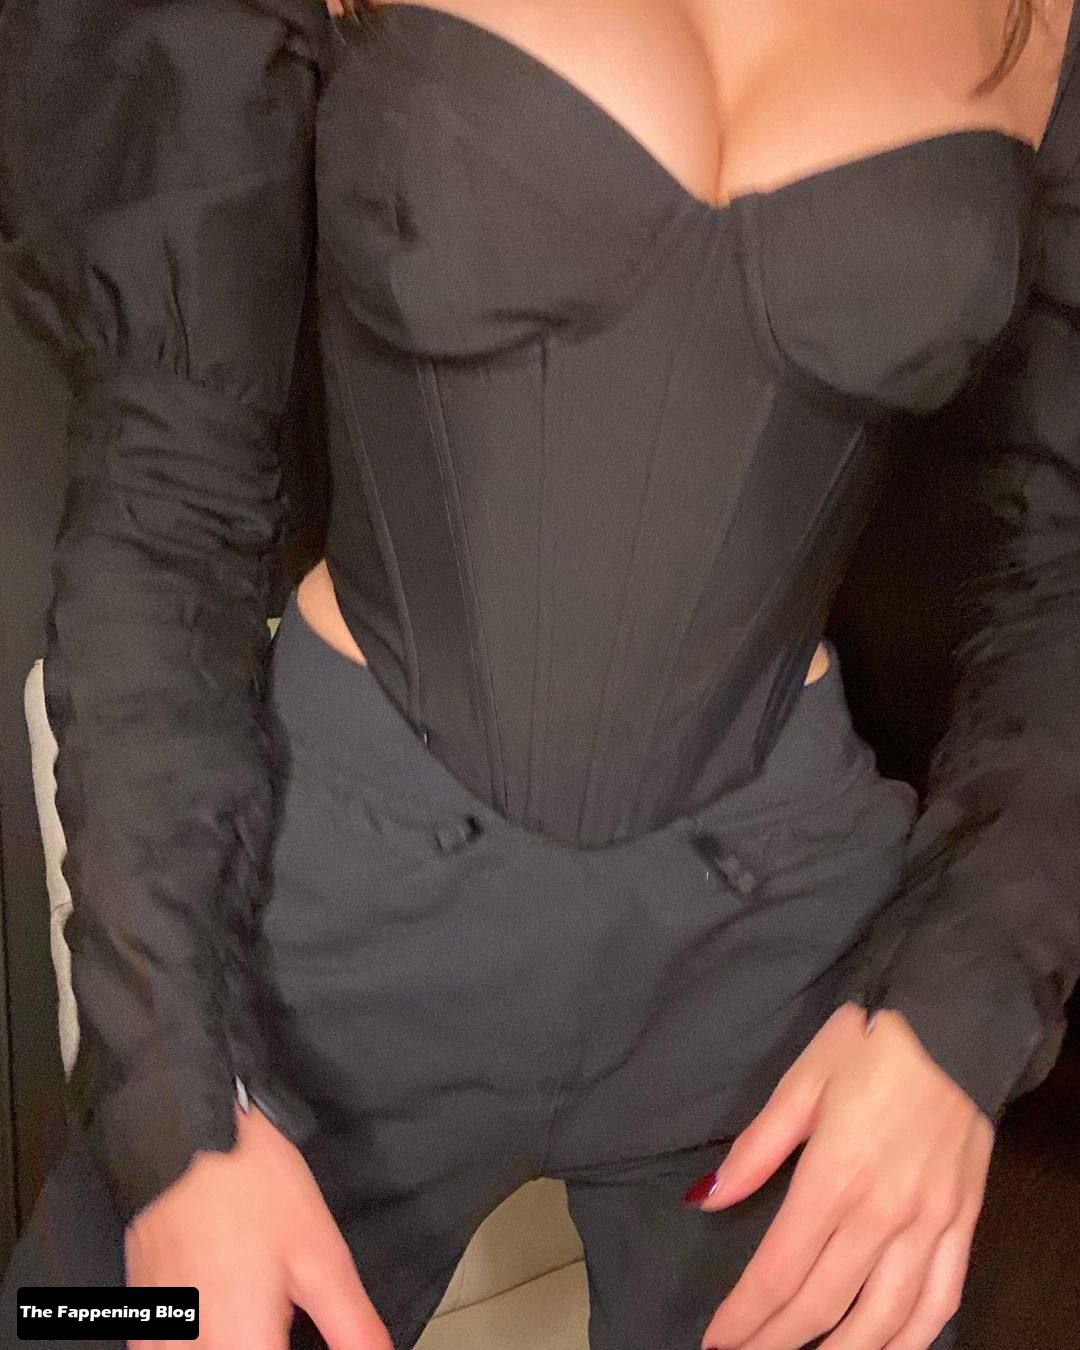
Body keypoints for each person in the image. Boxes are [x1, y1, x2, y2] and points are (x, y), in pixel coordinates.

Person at [1, 1, 1079, 1347]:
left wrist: (962, 1014)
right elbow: (167, 496)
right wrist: (173, 1113)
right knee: (69, 1322)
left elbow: (1062, 567)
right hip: (317, 900)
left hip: (779, 937)